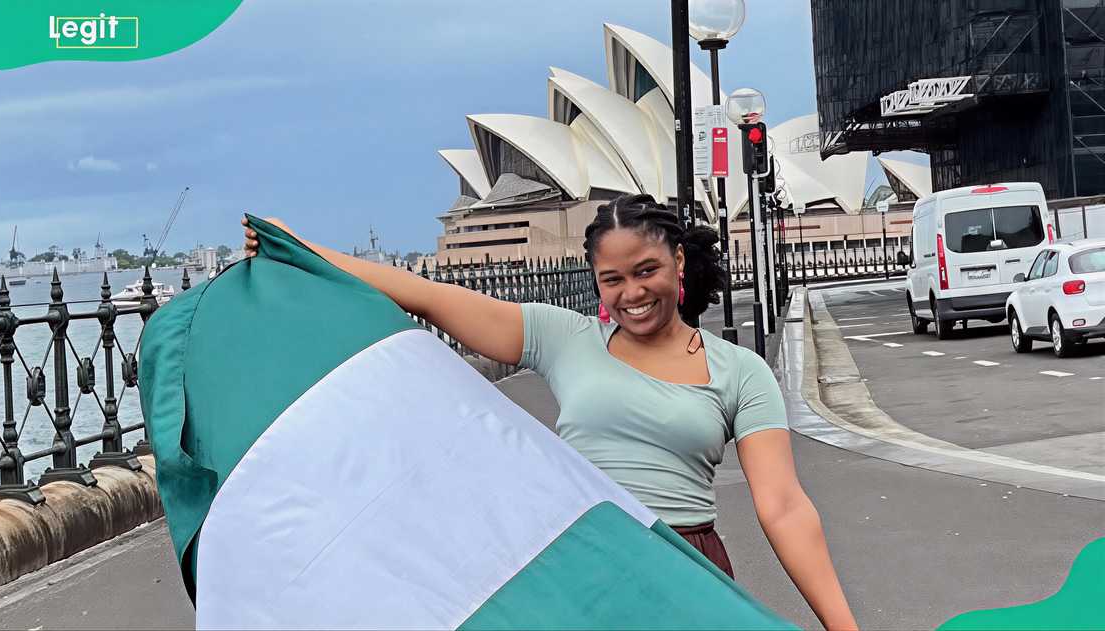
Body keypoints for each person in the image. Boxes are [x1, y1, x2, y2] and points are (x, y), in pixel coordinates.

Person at [241, 194, 857, 629]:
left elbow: (782, 507)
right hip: (579, 559)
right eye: (612, 279)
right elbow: (427, 296)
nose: (632, 293)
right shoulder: (562, 337)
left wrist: (842, 626)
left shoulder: (739, 371)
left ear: (679, 264)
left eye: (646, 271)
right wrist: (297, 248)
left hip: (684, 565)